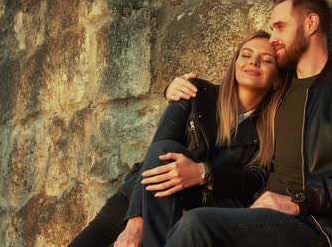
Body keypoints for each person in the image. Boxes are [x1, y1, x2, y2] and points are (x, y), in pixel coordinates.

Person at [163, 0, 332, 247]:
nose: (273, 38)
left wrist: (299, 201)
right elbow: (228, 98)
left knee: (197, 225)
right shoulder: (278, 92)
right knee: (173, 206)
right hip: (258, 212)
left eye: (280, 27)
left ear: (311, 23)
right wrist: (174, 89)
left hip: (316, 224)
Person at [69, 31, 285, 247]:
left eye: (267, 60)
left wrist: (203, 173)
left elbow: (254, 181)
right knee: (164, 150)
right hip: (141, 194)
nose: (253, 62)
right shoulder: (195, 92)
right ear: (235, 62)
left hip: (196, 212)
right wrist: (135, 224)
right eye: (246, 55)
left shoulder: (274, 127)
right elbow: (158, 148)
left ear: (277, 78)